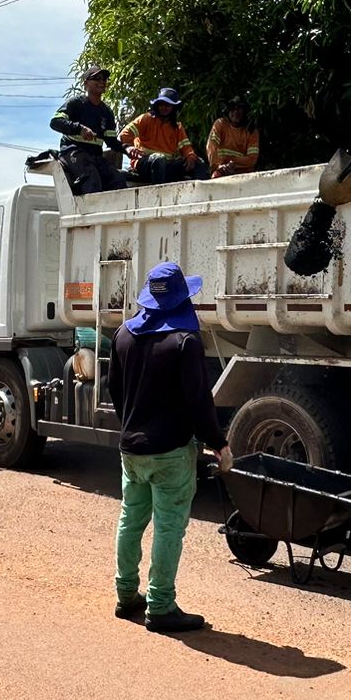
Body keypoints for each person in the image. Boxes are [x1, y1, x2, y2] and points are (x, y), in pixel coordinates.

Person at [106, 262, 232, 633]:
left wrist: (134, 424)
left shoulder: (123, 335)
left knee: (131, 519)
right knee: (167, 528)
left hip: (131, 449)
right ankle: (160, 607)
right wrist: (219, 444)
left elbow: (115, 390)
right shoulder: (185, 342)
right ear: (181, 299)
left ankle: (126, 595)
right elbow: (198, 402)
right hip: (171, 452)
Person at [50, 64, 127, 196]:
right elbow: (55, 122)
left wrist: (128, 149)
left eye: (104, 79)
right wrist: (79, 129)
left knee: (118, 180)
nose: (102, 81)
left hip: (95, 156)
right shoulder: (75, 103)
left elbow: (111, 140)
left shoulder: (106, 112)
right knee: (91, 178)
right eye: (97, 78)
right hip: (73, 151)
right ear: (86, 84)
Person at [120, 87, 207, 184]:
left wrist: (190, 155)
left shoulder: (177, 127)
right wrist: (129, 147)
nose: (163, 108)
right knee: (159, 159)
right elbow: (125, 134)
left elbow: (186, 147)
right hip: (144, 163)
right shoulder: (146, 119)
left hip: (166, 166)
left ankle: (201, 195)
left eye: (167, 105)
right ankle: (159, 196)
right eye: (161, 104)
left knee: (198, 162)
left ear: (174, 107)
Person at [206, 97, 261, 177]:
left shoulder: (251, 131)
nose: (235, 112)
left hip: (244, 174)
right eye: (232, 108)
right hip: (222, 170)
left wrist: (231, 163)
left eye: (239, 108)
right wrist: (217, 166)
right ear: (227, 110)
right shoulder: (220, 124)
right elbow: (211, 146)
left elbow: (252, 159)